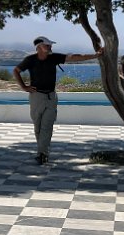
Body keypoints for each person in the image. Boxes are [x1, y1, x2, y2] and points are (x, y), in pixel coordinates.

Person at [14, 36, 103, 165]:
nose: (50, 47)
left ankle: (43, 154)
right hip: (36, 97)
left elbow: (74, 57)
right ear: (39, 47)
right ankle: (42, 152)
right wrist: (24, 87)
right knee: (38, 126)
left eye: (50, 45)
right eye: (47, 45)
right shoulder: (30, 60)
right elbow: (16, 71)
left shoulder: (54, 57)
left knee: (47, 126)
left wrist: (95, 55)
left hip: (51, 97)